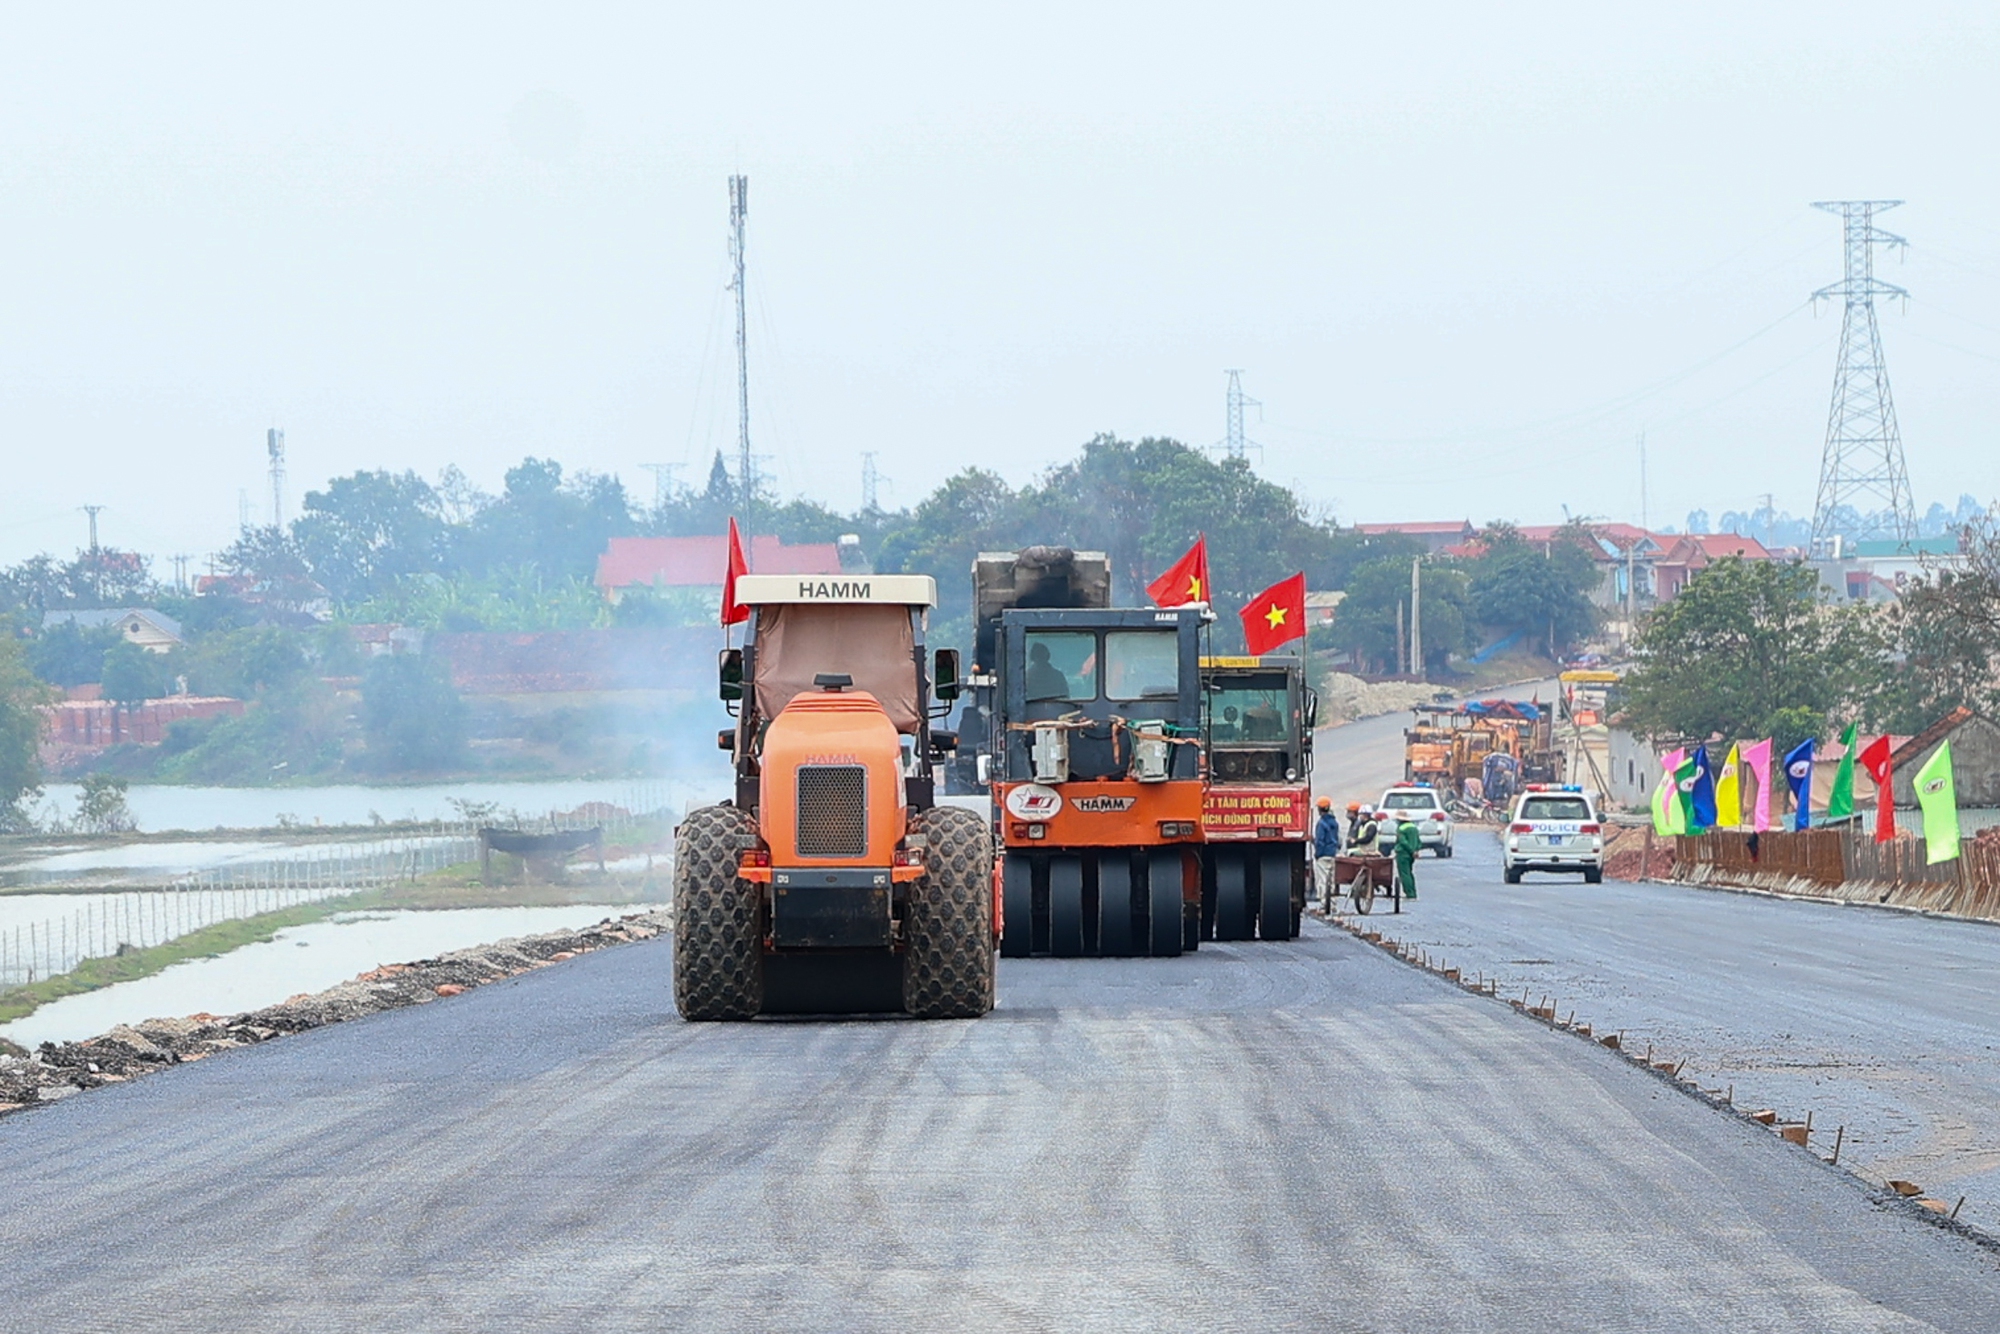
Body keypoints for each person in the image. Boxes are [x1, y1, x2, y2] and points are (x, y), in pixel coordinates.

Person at [1313, 796, 1343, 905]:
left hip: (1323, 855)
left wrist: (1317, 854)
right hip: (1333, 853)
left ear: (1319, 809)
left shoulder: (1321, 824)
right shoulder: (1334, 822)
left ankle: (1325, 903)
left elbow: (1320, 841)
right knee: (1332, 880)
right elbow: (1338, 839)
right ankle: (1333, 903)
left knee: (1323, 880)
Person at [1394, 812, 1422, 899]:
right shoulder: (1414, 828)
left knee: (1404, 874)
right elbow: (1419, 841)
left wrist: (1411, 851)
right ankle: (1413, 892)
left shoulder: (1401, 829)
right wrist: (1416, 850)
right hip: (1411, 855)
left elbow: (1403, 842)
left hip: (1403, 853)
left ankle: (1409, 893)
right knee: (1409, 873)